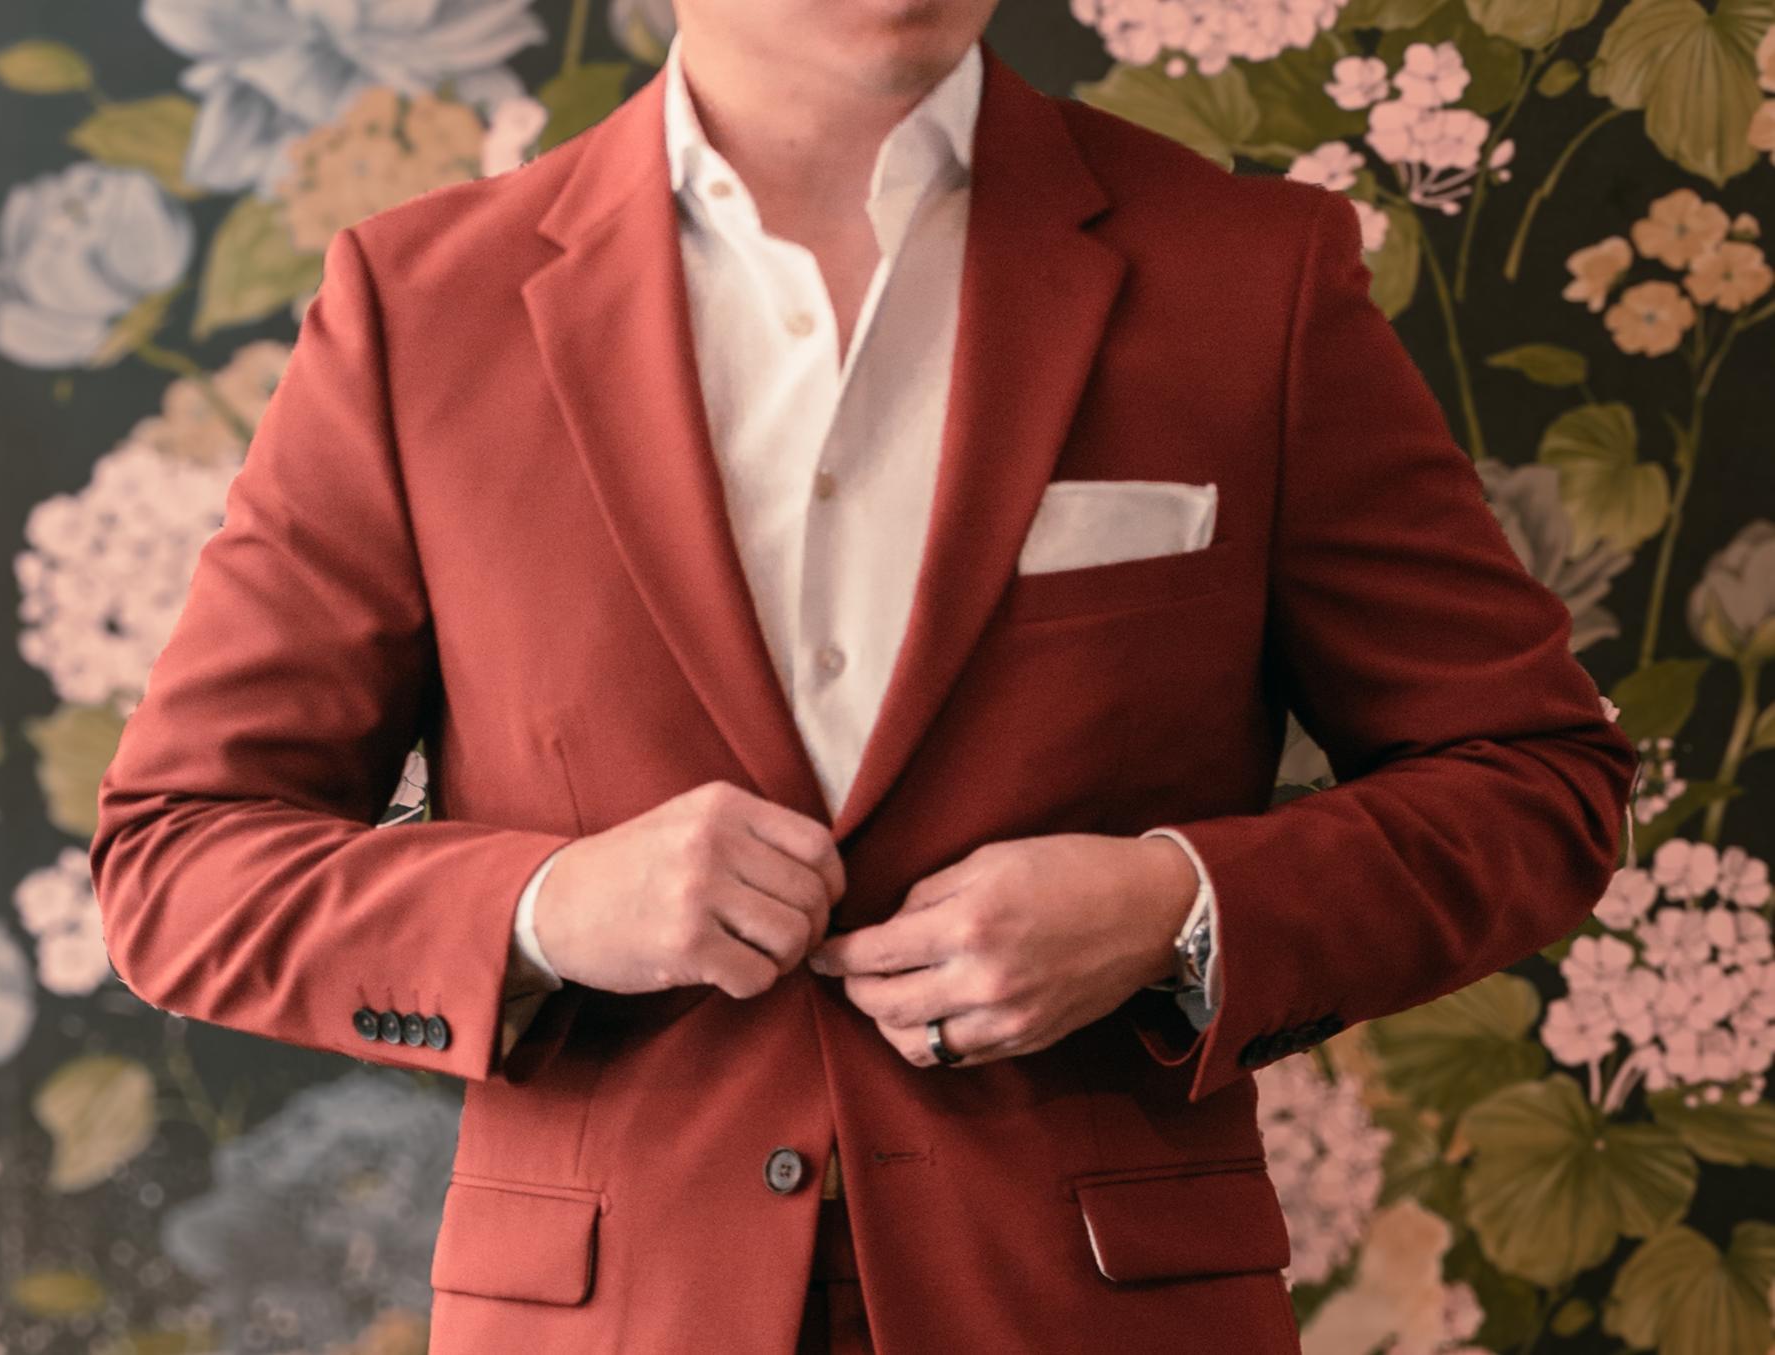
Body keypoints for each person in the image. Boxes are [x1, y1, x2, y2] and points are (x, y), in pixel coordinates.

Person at [89, 1, 1642, 1351]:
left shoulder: (1246, 275)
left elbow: (1533, 780)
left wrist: (1168, 910)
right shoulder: (419, 307)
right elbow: (179, 858)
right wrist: (552, 911)